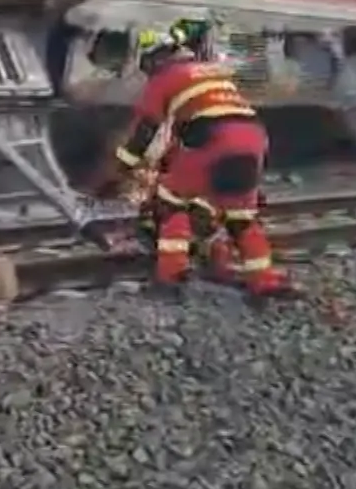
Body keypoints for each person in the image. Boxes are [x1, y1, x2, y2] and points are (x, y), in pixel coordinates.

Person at [100, 25, 292, 302]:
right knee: (241, 217)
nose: (147, 72)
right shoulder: (212, 72)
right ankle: (264, 281)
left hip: (215, 137)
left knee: (171, 203)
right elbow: (188, 128)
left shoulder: (166, 77)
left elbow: (146, 128)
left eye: (146, 65)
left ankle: (171, 277)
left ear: (156, 58)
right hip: (254, 139)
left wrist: (121, 167)